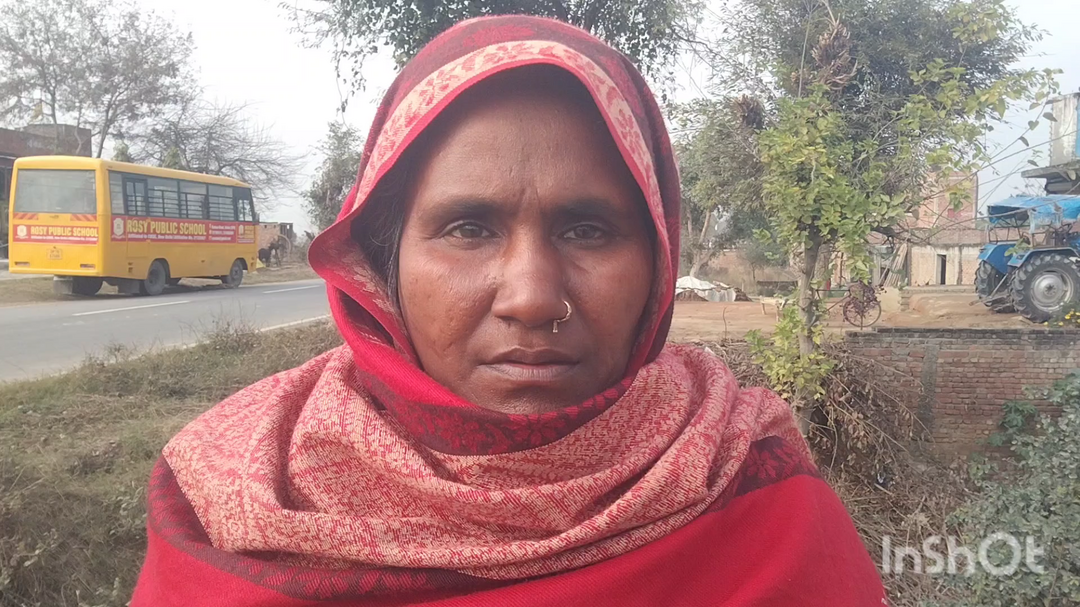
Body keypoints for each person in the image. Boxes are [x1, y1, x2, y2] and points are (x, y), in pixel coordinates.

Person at [131, 15, 886, 606]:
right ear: (384, 264)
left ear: (658, 261)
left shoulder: (751, 485)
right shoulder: (238, 493)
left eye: (588, 230)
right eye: (469, 228)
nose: (532, 299)